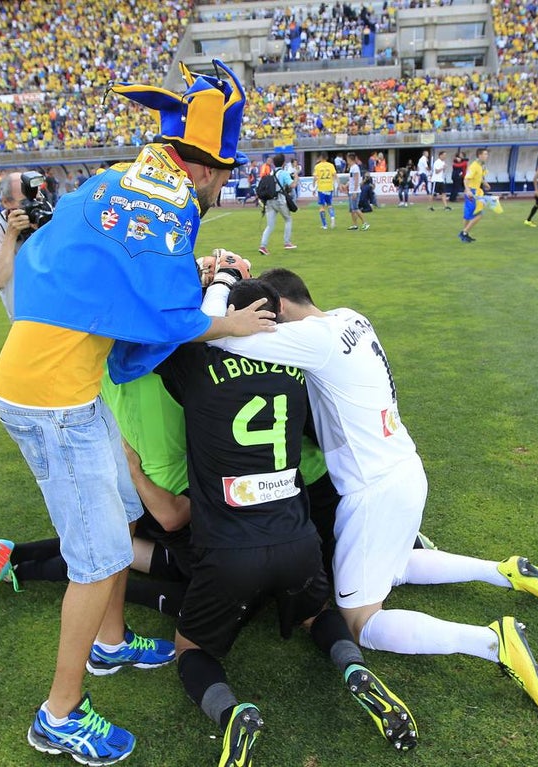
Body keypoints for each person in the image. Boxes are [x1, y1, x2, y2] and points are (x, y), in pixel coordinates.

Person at [0, 58, 275, 765]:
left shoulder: (122, 177)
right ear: (208, 169)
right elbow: (164, 313)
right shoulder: (172, 201)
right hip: (54, 399)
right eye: (226, 176)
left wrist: (195, 269)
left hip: (44, 381)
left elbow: (106, 268)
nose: (221, 189)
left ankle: (110, 644)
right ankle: (57, 714)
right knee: (101, 556)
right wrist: (227, 322)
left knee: (113, 519)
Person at [202, 268, 538, 717]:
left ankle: (492, 643)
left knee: (359, 621)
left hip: (373, 489)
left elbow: (217, 336)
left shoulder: (315, 337)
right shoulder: (350, 317)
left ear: (278, 306)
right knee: (394, 565)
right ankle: (502, 570)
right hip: (405, 467)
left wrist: (220, 283)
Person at [157, 276, 417, 766]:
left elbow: (171, 334)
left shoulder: (193, 362)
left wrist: (213, 287)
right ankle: (353, 671)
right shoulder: (294, 368)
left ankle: (232, 713)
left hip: (230, 551)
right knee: (318, 613)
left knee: (190, 649)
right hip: (297, 542)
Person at [0, 172, 32, 321]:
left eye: (37, 197)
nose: (33, 205)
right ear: (6, 203)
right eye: (25, 201)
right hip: (26, 321)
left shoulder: (48, 216)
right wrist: (11, 235)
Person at [258, 153, 296, 255]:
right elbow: (292, 185)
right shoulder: (283, 173)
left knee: (270, 225)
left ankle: (263, 246)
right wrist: (296, 177)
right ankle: (287, 242)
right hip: (280, 200)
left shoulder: (271, 172)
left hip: (269, 201)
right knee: (288, 219)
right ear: (283, 163)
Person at [459, 147, 490, 244]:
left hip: (475, 191)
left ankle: (464, 234)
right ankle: (464, 232)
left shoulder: (481, 166)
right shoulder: (474, 166)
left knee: (468, 215)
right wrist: (468, 190)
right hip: (472, 192)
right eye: (485, 154)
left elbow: (479, 177)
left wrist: (485, 183)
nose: (486, 156)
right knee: (479, 214)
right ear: (479, 155)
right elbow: (466, 179)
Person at [344, 154, 367, 231]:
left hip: (355, 191)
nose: (347, 161)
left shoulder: (355, 168)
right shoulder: (352, 168)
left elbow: (357, 179)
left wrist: (355, 191)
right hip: (351, 190)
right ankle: (355, 225)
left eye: (347, 159)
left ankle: (365, 223)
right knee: (352, 209)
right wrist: (347, 185)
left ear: (350, 159)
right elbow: (352, 179)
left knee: (355, 208)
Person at [314, 152, 337, 229]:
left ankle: (325, 225)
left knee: (322, 207)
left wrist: (314, 187)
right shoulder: (331, 165)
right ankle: (332, 217)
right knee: (329, 204)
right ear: (327, 157)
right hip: (329, 187)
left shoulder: (317, 166)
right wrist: (336, 184)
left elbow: (315, 177)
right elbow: (335, 175)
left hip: (321, 188)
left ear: (320, 157)